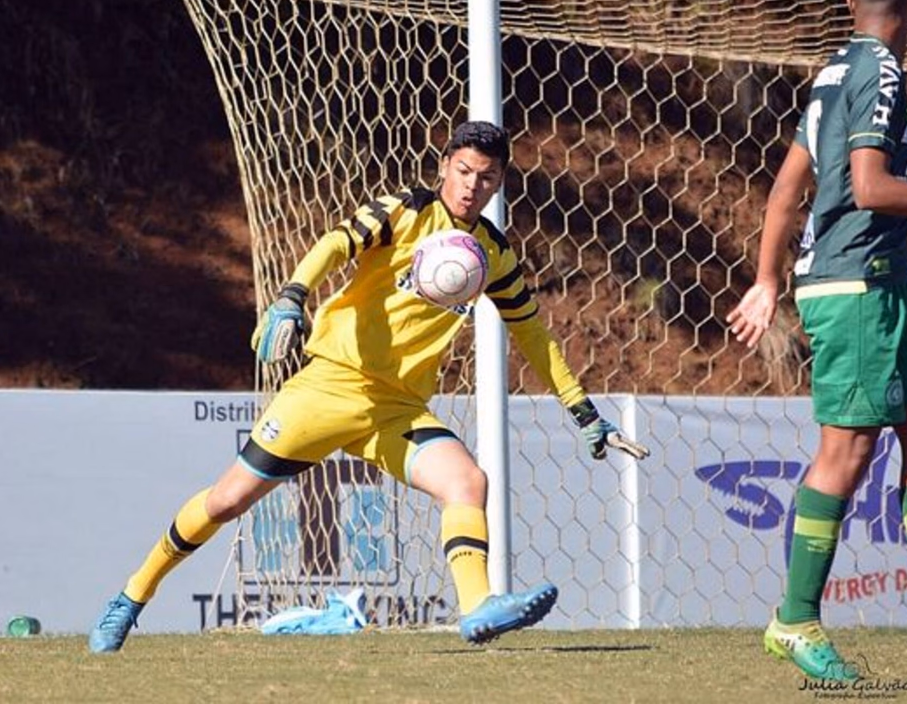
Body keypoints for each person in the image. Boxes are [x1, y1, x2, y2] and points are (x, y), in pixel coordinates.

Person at [89, 120, 647, 653]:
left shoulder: (493, 255)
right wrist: (292, 295)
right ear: (444, 167)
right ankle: (132, 595)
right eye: (465, 171)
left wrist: (583, 412)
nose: (473, 187)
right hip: (329, 387)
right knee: (225, 501)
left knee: (467, 481)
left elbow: (532, 335)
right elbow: (335, 243)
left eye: (487, 178)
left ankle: (477, 609)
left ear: (499, 182)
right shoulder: (405, 210)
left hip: (396, 408)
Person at [726, 0, 907, 682]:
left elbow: (783, 190)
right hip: (858, 283)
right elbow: (868, 189)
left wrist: (768, 279)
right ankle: (795, 620)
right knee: (848, 453)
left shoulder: (833, 71)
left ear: (848, 3)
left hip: (871, 282)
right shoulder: (883, 74)